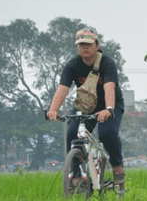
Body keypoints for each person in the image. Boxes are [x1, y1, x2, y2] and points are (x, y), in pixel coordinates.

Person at [46, 27, 125, 191]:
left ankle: (117, 167)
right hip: (86, 105)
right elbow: (62, 88)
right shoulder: (73, 65)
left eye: (88, 44)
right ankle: (75, 175)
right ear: (77, 47)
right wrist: (53, 109)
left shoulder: (107, 64)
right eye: (81, 44)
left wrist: (109, 109)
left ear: (96, 45)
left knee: (107, 134)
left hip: (109, 104)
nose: (85, 47)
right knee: (72, 133)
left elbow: (109, 88)